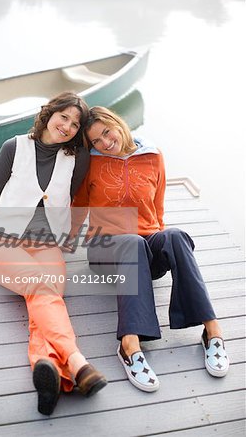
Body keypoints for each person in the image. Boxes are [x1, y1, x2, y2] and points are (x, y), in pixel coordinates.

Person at [0, 93, 107, 415]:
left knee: (44, 295)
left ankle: (49, 369)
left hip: (48, 243)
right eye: (63, 117)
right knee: (44, 288)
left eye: (75, 123)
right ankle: (77, 362)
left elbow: (76, 198)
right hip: (4, 241)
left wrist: (71, 236)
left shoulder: (77, 156)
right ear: (49, 114)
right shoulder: (14, 147)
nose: (67, 126)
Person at [70, 106, 229, 392]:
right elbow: (78, 205)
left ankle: (212, 330)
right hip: (106, 251)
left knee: (176, 236)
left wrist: (162, 243)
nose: (105, 143)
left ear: (118, 124)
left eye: (107, 132)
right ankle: (129, 344)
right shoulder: (90, 163)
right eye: (96, 141)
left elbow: (157, 209)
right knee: (132, 243)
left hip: (143, 250)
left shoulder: (153, 156)